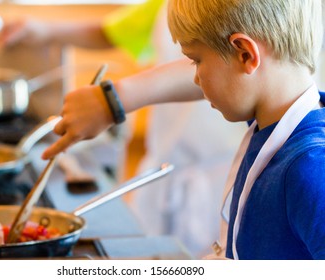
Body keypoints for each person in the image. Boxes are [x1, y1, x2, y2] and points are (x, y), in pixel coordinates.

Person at [41, 0, 325, 260]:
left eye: (197, 60)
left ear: (246, 55)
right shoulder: (272, 125)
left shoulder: (309, 169)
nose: (195, 78)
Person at [2, 0, 246, 258]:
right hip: (167, 161)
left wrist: (113, 100)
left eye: (195, 60)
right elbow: (113, 31)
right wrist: (46, 30)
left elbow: (226, 65)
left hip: (218, 176)